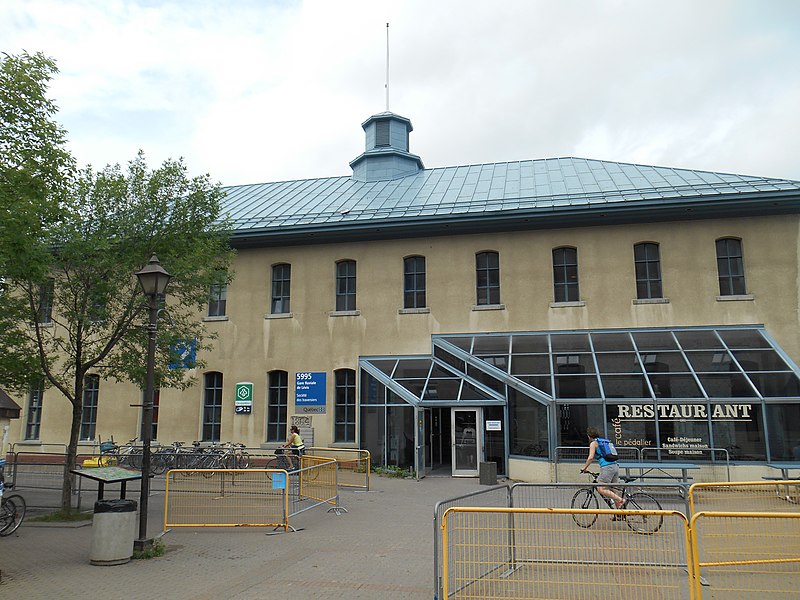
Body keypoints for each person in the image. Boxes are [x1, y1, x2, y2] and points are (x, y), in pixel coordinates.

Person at [580, 427, 625, 510]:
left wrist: (584, 468)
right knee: (614, 490)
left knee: (601, 488)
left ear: (588, 436)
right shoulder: (605, 441)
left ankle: (621, 500)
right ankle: (619, 513)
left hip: (607, 467)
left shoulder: (593, 443)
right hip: (615, 466)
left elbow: (590, 457)